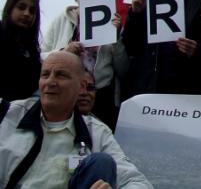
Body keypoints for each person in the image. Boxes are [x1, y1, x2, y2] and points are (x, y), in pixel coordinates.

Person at [0, 51, 152, 189]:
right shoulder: (6, 114)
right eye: (45, 75)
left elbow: (138, 183)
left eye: (61, 75)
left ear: (81, 86)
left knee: (101, 163)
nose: (50, 82)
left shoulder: (96, 132)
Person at [41, 0, 128, 129]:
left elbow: (123, 69)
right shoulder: (62, 20)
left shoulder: (112, 22)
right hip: (65, 93)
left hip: (101, 97)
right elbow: (42, 56)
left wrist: (116, 38)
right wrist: (63, 53)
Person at [0, 0, 41, 101]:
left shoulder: (32, 50)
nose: (27, 14)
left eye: (32, 11)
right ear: (10, 8)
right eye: (21, 7)